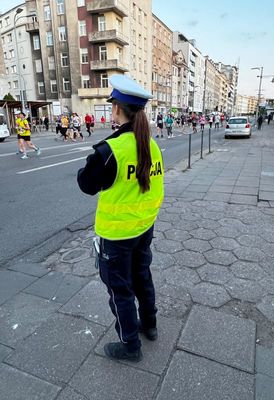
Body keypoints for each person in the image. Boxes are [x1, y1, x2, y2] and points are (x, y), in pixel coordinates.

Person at [77, 74, 164, 362]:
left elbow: (86, 184)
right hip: (143, 229)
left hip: (116, 237)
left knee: (120, 290)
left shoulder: (109, 150)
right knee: (142, 278)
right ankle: (149, 326)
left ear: (116, 109)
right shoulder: (151, 146)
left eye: (113, 105)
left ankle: (130, 346)